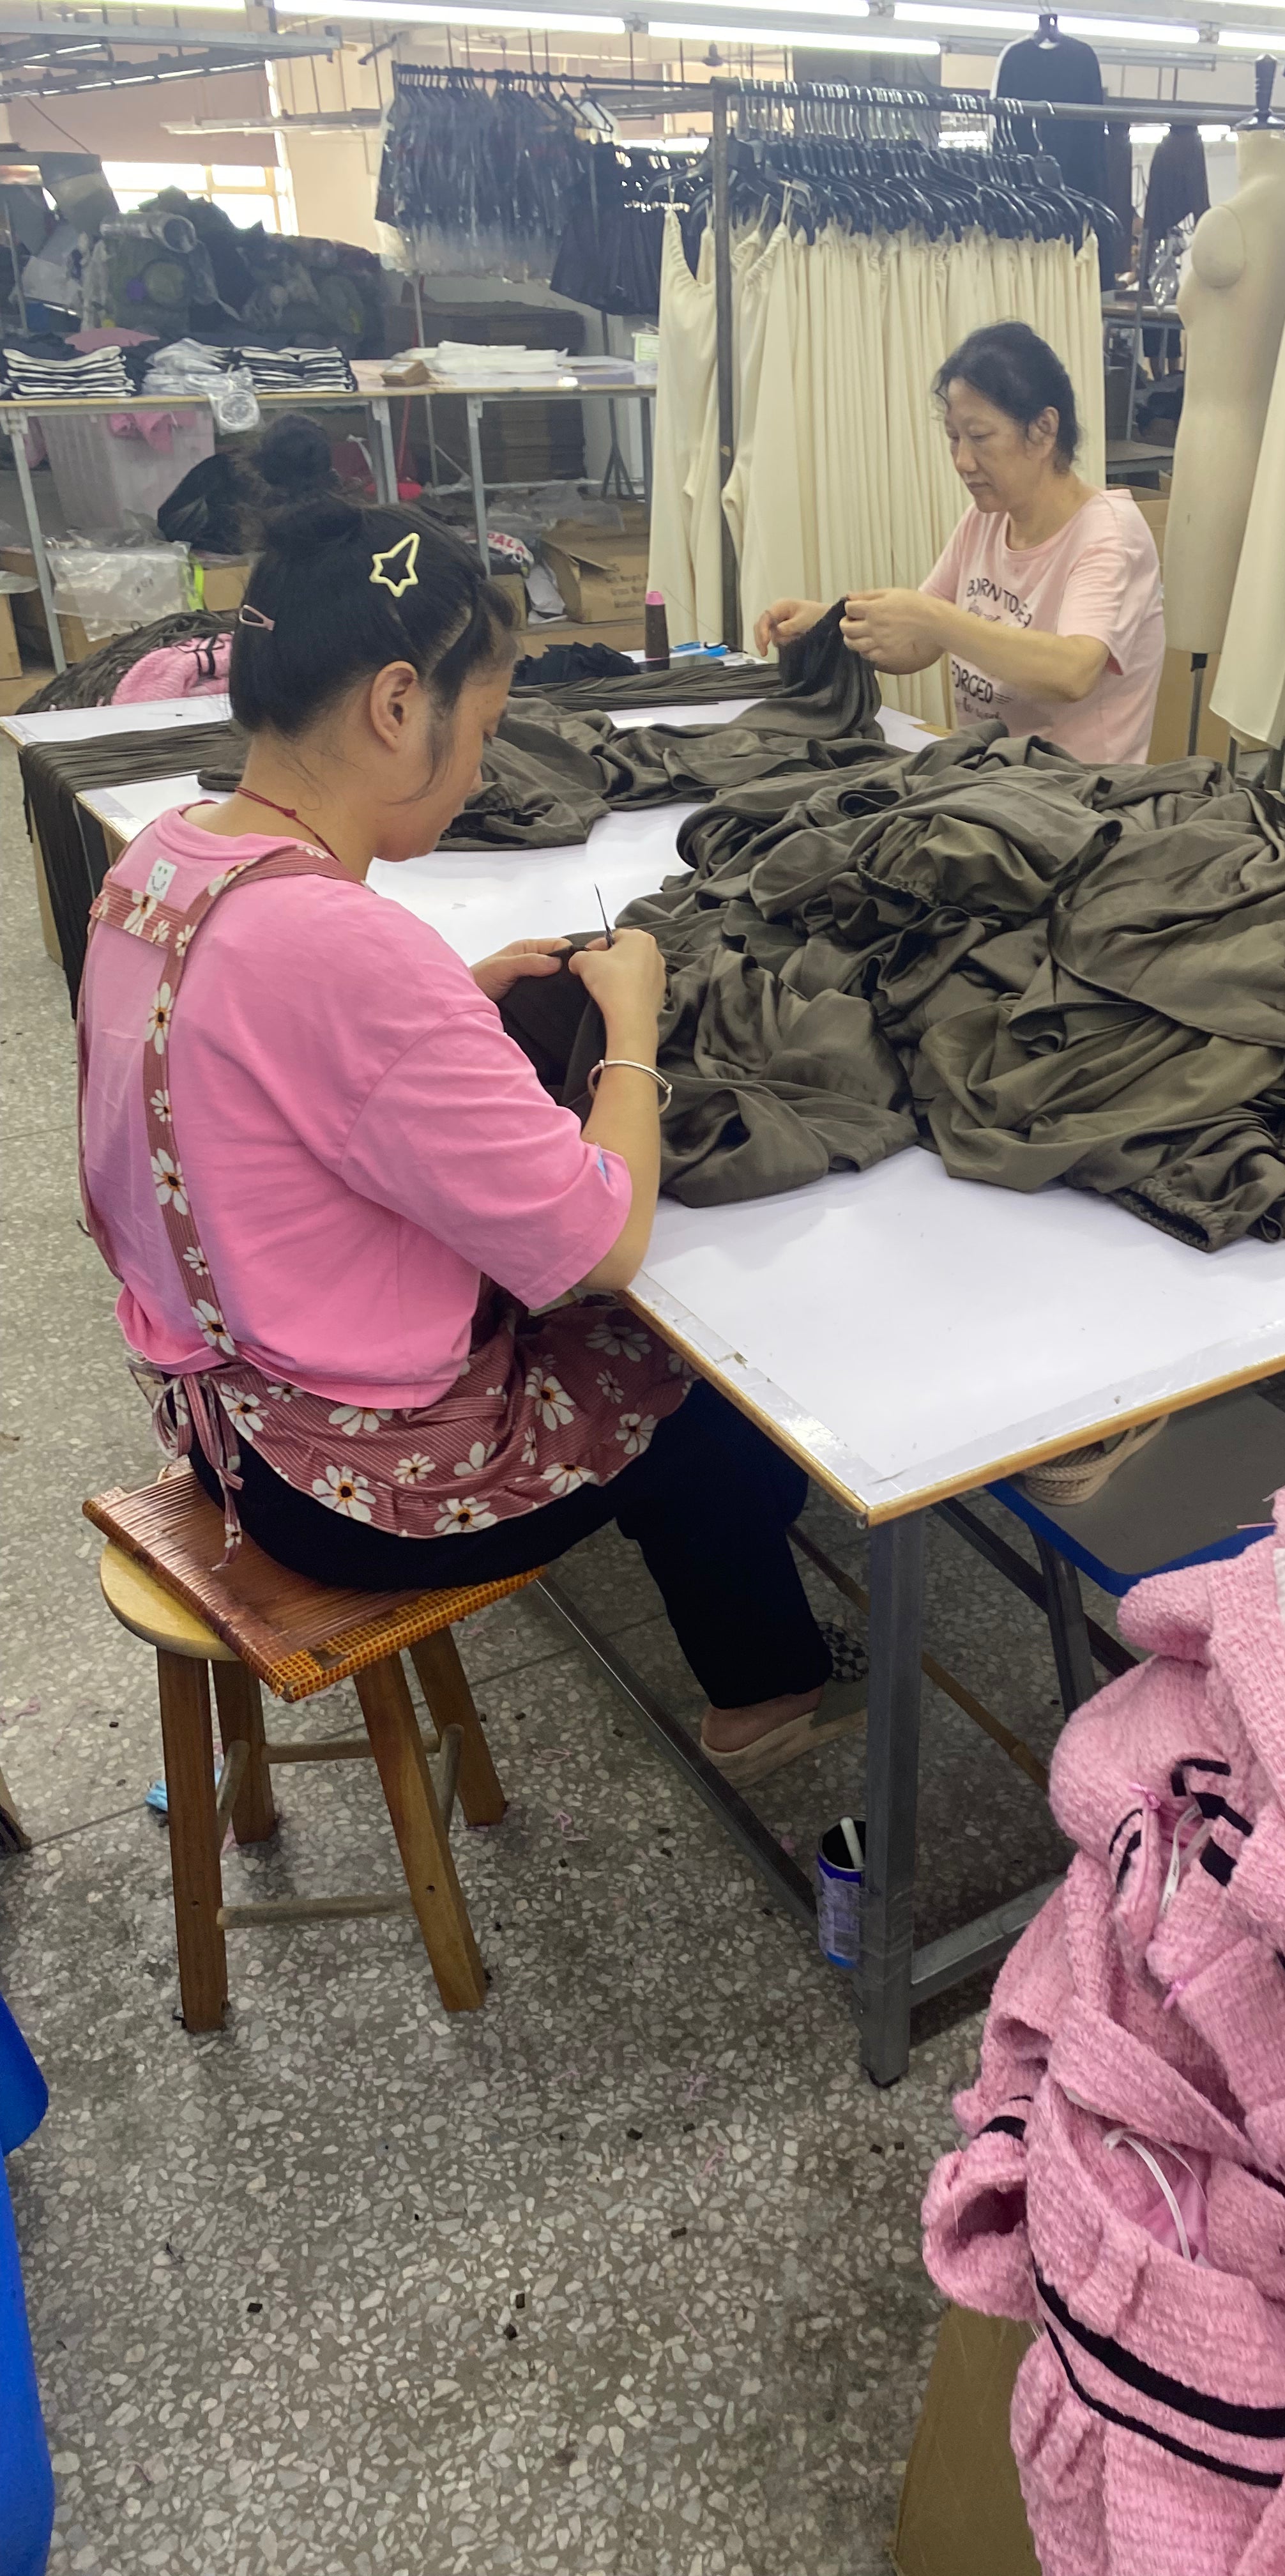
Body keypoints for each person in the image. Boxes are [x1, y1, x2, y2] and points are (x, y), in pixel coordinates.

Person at [74, 498, 859, 1788]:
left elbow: (256, 1055)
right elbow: (598, 1240)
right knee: (689, 1380)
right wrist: (635, 1034)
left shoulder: (163, 864)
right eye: (482, 730)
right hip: (340, 1482)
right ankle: (766, 1696)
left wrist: (453, 999)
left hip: (215, 1409)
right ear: (397, 705)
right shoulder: (346, 947)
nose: (488, 771)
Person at [755, 321, 1165, 765]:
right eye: (954, 439)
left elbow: (1074, 671)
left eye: (981, 437)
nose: (963, 461)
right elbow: (918, 644)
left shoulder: (1109, 533)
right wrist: (832, 623)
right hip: (986, 782)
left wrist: (935, 618)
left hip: (1078, 801)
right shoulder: (985, 521)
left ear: (1044, 429)